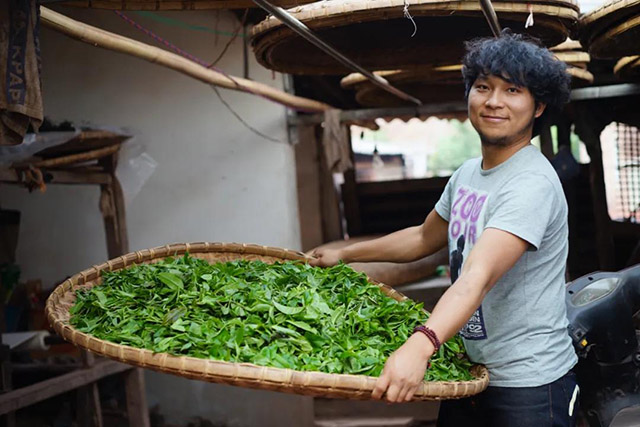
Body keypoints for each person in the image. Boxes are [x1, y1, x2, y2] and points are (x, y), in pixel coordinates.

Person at [311, 31, 579, 427]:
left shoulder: (530, 184)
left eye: (513, 90)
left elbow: (477, 277)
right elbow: (423, 237)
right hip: (469, 371)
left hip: (529, 385)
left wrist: (420, 346)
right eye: (483, 86)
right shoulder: (469, 173)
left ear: (538, 106)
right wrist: (345, 254)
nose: (493, 101)